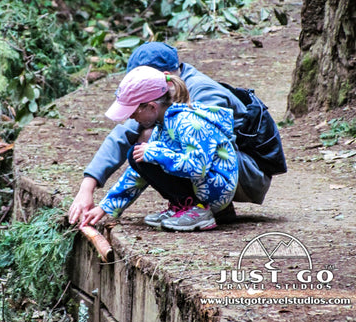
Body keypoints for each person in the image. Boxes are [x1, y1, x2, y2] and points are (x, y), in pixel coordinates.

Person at [68, 42, 280, 226]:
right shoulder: (164, 111)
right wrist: (99, 199)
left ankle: (203, 209)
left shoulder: (199, 99)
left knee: (149, 144)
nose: (131, 117)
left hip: (239, 173)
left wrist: (157, 153)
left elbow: (205, 161)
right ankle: (188, 205)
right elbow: (123, 136)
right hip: (209, 167)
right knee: (143, 149)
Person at [81, 66, 238, 231]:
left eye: (134, 113)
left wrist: (156, 153)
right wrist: (105, 207)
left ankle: (197, 210)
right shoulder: (163, 126)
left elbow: (198, 167)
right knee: (137, 156)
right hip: (200, 185)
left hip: (216, 188)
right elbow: (138, 174)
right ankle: (183, 205)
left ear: (152, 107)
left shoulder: (188, 123)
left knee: (147, 154)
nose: (131, 118)